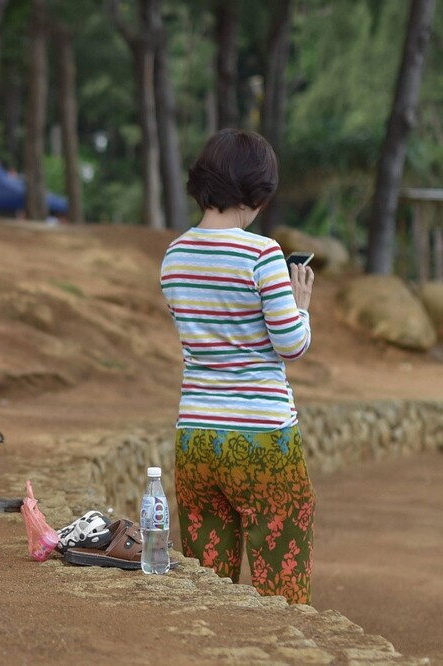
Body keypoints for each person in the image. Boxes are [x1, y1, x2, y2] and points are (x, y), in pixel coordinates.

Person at [159, 129, 317, 605]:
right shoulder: (262, 253)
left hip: (197, 437)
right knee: (281, 582)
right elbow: (291, 346)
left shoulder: (174, 256)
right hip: (262, 439)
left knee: (210, 587)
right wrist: (301, 304)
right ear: (256, 192)